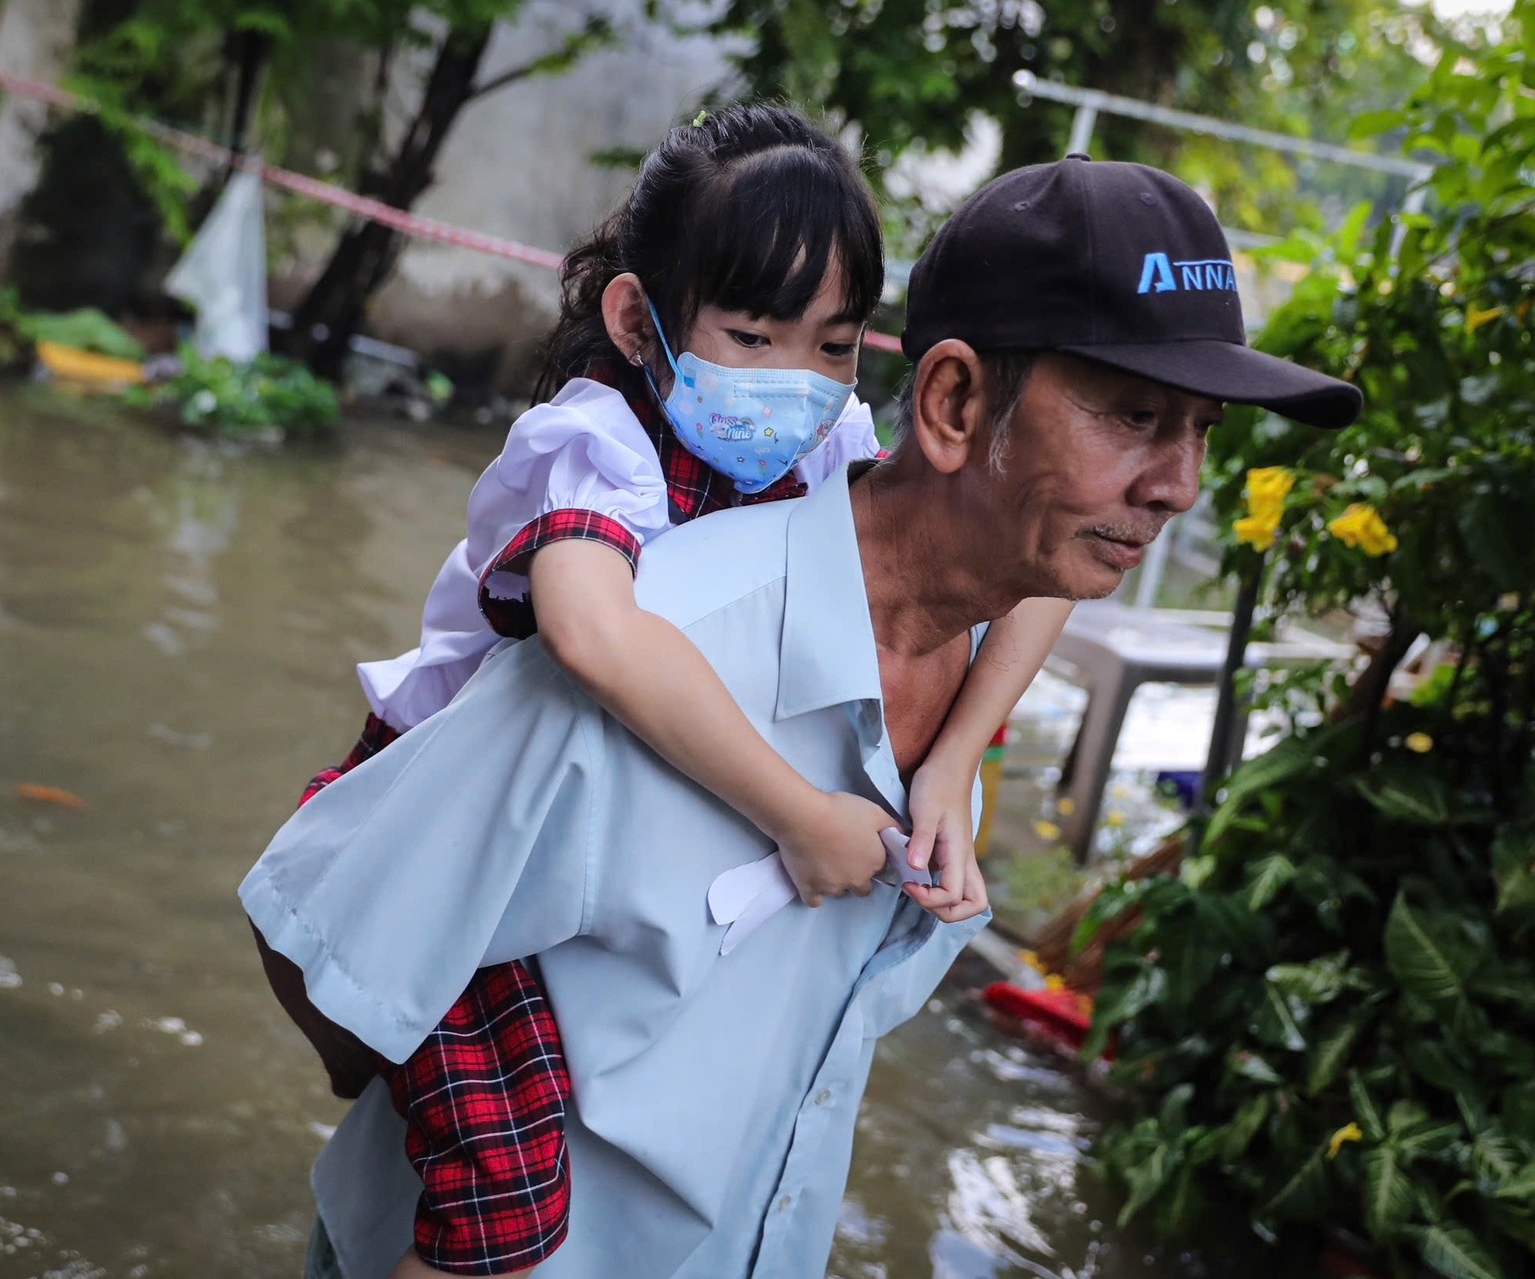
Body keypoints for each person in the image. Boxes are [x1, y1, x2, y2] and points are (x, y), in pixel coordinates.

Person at [246, 153, 1361, 1279]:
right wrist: (428, 1107)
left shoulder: (974, 655)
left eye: (1201, 428)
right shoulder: (638, 636)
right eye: (1133, 415)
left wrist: (956, 761)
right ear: (955, 401)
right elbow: (312, 928)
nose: (1178, 482)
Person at [265, 105, 1064, 1279]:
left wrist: (951, 761)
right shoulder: (596, 442)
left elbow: (1043, 566)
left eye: (836, 345)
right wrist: (800, 814)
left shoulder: (812, 436)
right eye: (752, 334)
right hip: (448, 846)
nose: (800, 381)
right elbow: (592, 633)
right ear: (639, 318)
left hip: (545, 856)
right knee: (508, 1208)